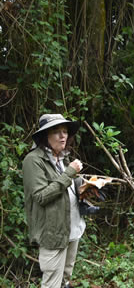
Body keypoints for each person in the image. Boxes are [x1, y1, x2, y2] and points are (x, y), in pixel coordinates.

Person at [22, 114, 85, 288]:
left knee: (65, 279)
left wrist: (83, 187)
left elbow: (64, 188)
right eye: (56, 132)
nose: (62, 136)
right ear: (44, 136)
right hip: (52, 233)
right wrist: (69, 173)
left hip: (72, 228)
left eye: (65, 131)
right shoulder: (33, 160)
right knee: (52, 283)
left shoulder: (61, 158)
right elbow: (41, 196)